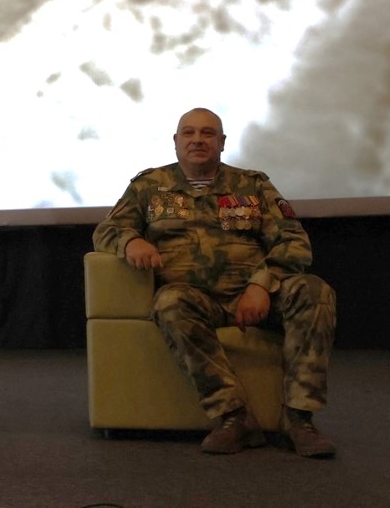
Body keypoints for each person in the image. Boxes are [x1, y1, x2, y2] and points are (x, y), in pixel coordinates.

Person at [92, 107, 337, 457]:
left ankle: (299, 419)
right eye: (189, 133)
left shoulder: (253, 185)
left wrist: (261, 285)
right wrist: (130, 241)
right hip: (194, 300)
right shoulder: (148, 186)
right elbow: (107, 229)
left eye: (207, 133)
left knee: (315, 291)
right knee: (169, 302)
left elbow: (294, 241)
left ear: (222, 143)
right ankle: (234, 417)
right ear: (176, 141)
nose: (197, 140)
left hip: (255, 296)